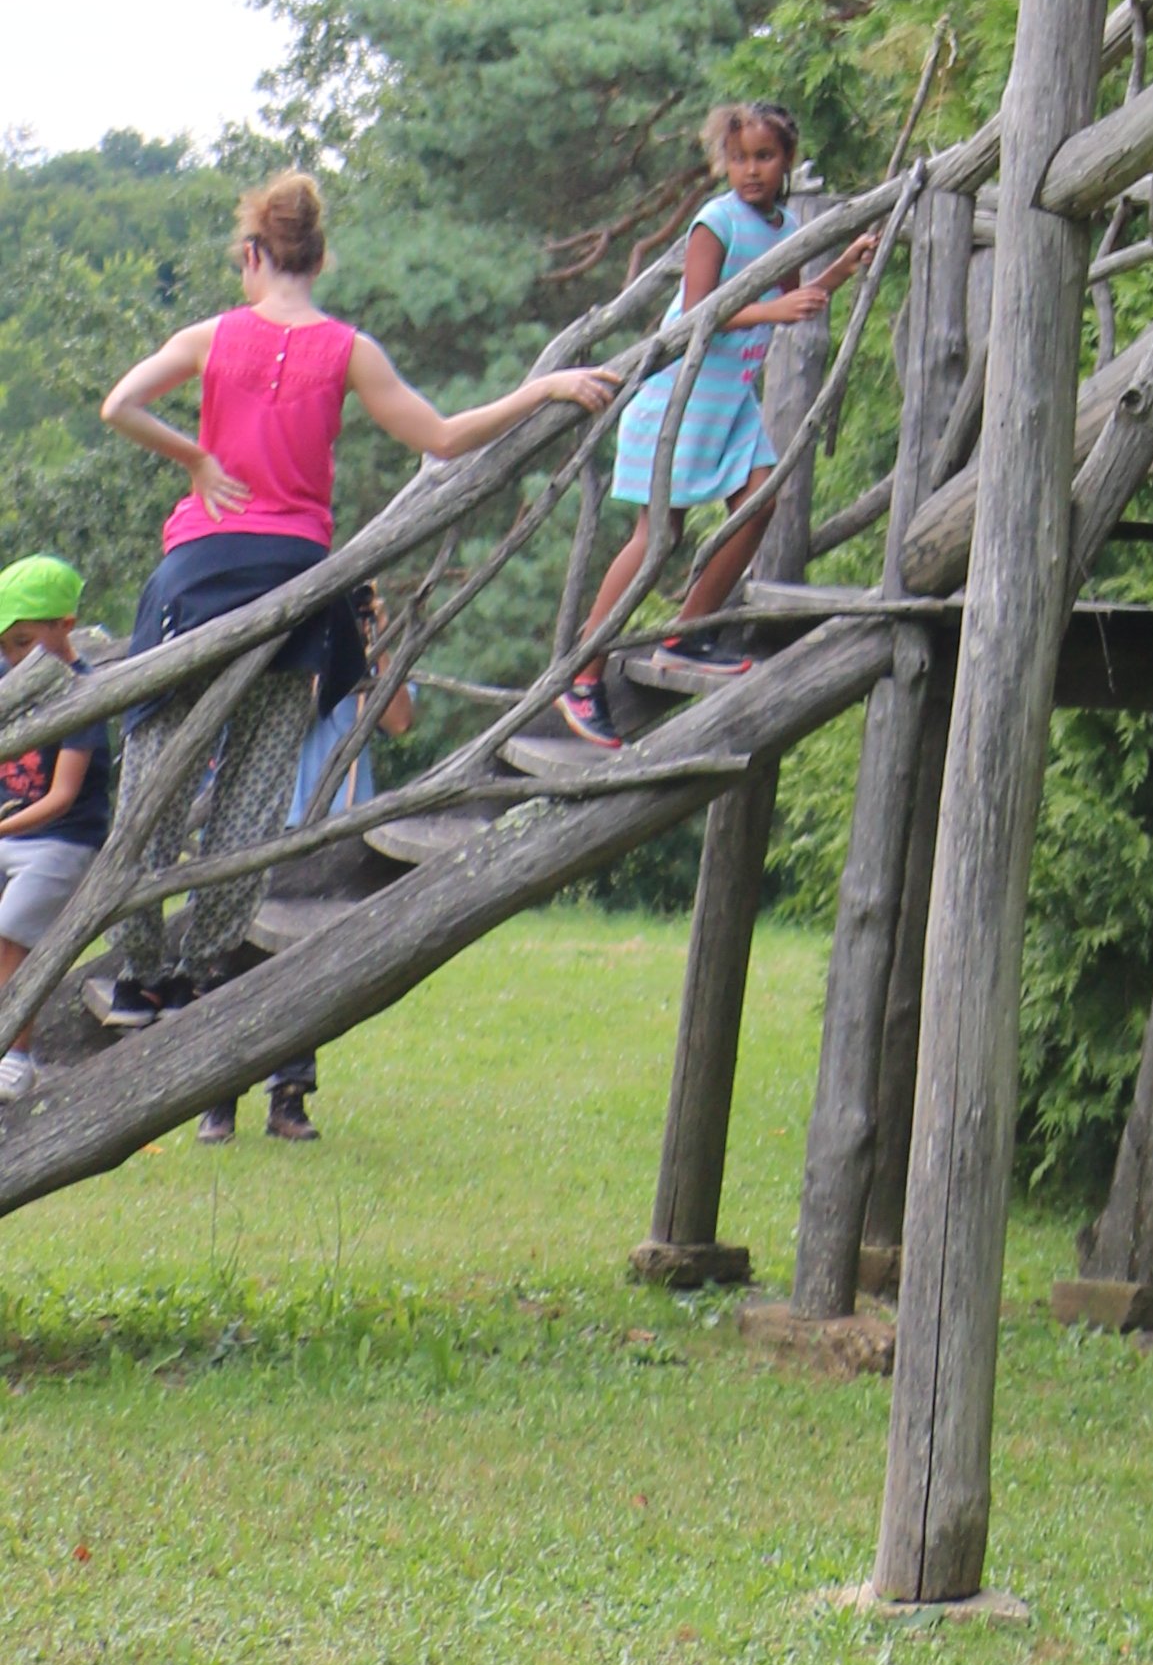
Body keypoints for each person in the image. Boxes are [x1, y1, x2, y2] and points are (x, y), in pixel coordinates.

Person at [90, 174, 612, 1025]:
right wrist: (541, 390)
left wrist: (195, 458)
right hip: (296, 580)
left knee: (152, 774)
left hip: (200, 573)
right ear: (320, 258)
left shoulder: (212, 335)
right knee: (254, 792)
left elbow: (120, 404)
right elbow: (442, 438)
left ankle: (144, 973)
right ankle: (204, 964)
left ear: (252, 255)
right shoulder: (349, 349)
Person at [555, 100, 852, 747]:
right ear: (724, 161)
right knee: (656, 535)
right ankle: (583, 675)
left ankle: (686, 634)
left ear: (786, 162)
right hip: (679, 399)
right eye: (739, 158)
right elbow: (697, 315)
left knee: (759, 500)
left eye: (764, 158)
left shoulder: (785, 227)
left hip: (730, 402)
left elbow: (792, 298)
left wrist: (845, 264)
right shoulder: (716, 221)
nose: (750, 171)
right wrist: (775, 315)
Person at [0, 554, 109, 1103]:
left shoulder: (80, 692)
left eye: (21, 642)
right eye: (4, 645)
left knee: (9, 937)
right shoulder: (4, 680)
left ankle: (14, 1058)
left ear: (65, 626)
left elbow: (62, 797)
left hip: (57, 840)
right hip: (7, 831)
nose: (11, 657)